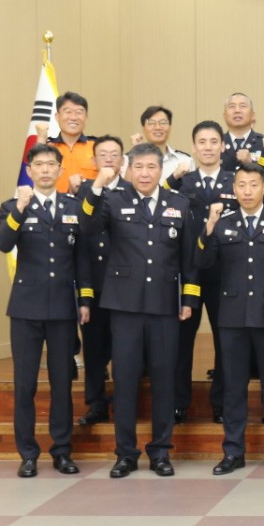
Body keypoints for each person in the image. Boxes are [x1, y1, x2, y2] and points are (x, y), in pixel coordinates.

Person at [79, 144, 199, 478]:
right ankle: (126, 454)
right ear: (129, 170)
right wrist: (97, 186)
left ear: (161, 170)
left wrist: (188, 300)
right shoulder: (113, 200)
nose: (145, 174)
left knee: (164, 379)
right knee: (126, 379)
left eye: (151, 167)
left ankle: (160, 451)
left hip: (164, 306)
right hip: (125, 306)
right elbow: (87, 226)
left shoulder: (180, 203)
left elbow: (189, 258)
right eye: (139, 167)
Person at [196, 163, 264, 475]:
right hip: (232, 318)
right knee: (233, 387)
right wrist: (208, 227)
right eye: (241, 185)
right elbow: (202, 262)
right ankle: (233, 452)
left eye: (253, 185)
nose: (247, 191)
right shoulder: (223, 224)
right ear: (233, 189)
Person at [0, 144, 90, 477]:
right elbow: (4, 243)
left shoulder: (73, 207)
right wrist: (21, 208)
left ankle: (62, 451)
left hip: (63, 309)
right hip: (26, 308)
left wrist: (84, 300)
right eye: (39, 164)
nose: (46, 170)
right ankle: (27, 453)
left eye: (52, 164)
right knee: (25, 385)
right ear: (30, 170)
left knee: (61, 383)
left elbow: (81, 258)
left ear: (60, 170)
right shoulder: (13, 206)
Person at [167, 121, 238, 425]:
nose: (208, 147)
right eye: (202, 142)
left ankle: (221, 404)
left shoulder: (237, 181)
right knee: (181, 343)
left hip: (226, 273)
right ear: (193, 148)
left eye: (213, 141)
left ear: (223, 146)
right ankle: (178, 404)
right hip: (189, 274)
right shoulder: (181, 182)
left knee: (226, 343)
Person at [77, 135, 127, 427]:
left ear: (123, 160)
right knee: (94, 349)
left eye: (114, 154)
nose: (109, 158)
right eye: (103, 154)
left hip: (125, 285)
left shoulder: (133, 190)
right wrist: (83, 294)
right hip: (95, 284)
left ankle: (124, 404)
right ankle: (96, 404)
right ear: (93, 160)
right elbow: (80, 246)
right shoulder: (83, 192)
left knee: (125, 350)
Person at [47, 91, 97, 194]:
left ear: (86, 118)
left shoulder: (97, 147)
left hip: (90, 203)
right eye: (68, 112)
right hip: (55, 204)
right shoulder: (47, 147)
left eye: (79, 112)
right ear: (57, 117)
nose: (73, 117)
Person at [135, 104, 193, 184]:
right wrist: (137, 152)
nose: (158, 127)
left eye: (163, 122)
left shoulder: (185, 160)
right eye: (151, 123)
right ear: (143, 128)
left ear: (170, 126)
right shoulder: (130, 160)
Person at [220, 92, 264, 173]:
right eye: (232, 106)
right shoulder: (217, 143)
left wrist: (252, 163)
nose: (237, 110)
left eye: (243, 106)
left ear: (253, 115)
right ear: (224, 116)